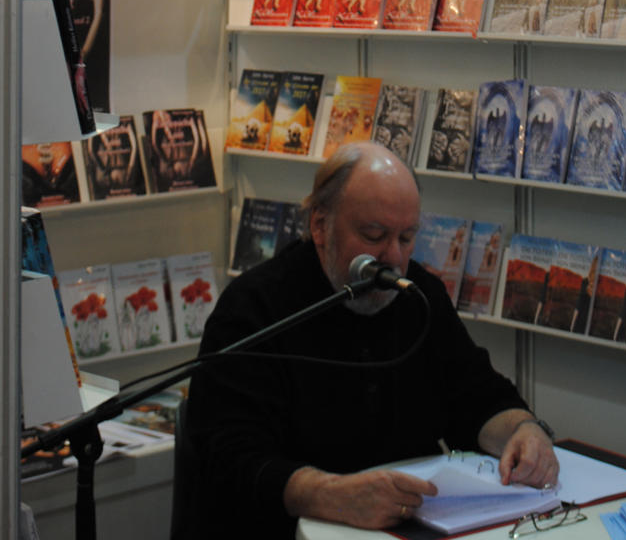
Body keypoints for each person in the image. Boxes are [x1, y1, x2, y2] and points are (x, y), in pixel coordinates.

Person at [186, 144, 559, 538]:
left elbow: (478, 396)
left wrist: (524, 431)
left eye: (407, 237)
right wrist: (332, 495)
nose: (393, 257)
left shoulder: (420, 296)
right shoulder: (254, 309)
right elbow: (230, 459)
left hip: (410, 525)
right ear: (320, 225)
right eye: (374, 235)